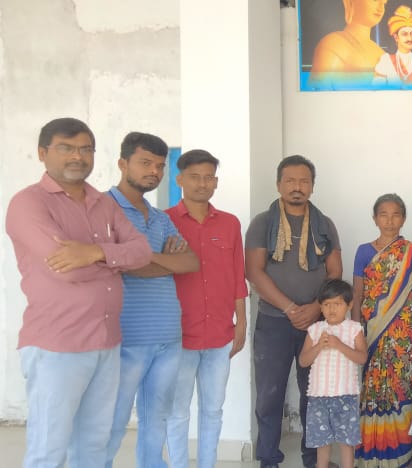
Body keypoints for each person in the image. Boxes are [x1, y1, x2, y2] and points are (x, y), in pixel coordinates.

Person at [7, 118, 152, 467]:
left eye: (86, 149)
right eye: (66, 148)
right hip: (58, 345)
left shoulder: (103, 202)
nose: (78, 156)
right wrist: (114, 258)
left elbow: (142, 252)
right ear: (42, 153)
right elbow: (68, 267)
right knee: (49, 449)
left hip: (106, 341)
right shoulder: (28, 203)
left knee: (93, 445)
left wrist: (95, 252)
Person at [106, 131, 200, 468]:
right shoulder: (103, 209)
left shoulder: (160, 217)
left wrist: (143, 258)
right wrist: (161, 260)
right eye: (145, 163)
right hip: (126, 338)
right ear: (122, 163)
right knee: (112, 423)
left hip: (167, 337)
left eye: (160, 166)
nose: (154, 171)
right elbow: (121, 265)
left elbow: (191, 262)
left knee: (156, 421)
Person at [246, 155, 343, 468]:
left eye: (304, 181)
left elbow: (335, 272)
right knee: (269, 394)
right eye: (290, 180)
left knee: (314, 393)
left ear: (312, 186)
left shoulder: (325, 225)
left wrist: (315, 307)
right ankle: (268, 459)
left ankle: (313, 458)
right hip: (273, 322)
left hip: (316, 324)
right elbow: (254, 271)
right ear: (279, 184)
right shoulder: (263, 222)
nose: (297, 187)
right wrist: (289, 308)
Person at [165, 149, 248, 468]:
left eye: (209, 177)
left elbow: (237, 275)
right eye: (195, 177)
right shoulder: (164, 221)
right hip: (178, 336)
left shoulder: (229, 223)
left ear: (216, 181)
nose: (202, 183)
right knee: (177, 412)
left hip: (220, 334)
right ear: (180, 180)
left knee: (213, 410)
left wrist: (241, 324)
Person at [351, 194, 412, 467]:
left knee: (401, 389)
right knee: (371, 391)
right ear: (375, 219)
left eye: (395, 215)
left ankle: (402, 452)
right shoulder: (363, 252)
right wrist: (355, 334)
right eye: (383, 215)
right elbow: (357, 294)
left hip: (404, 337)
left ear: (403, 219)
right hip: (372, 335)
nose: (389, 221)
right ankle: (372, 452)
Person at [299, 279, 367, 468]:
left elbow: (362, 357)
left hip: (346, 396)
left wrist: (339, 345)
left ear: (349, 305)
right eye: (327, 304)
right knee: (322, 442)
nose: (332, 309)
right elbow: (303, 361)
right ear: (320, 307)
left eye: (337, 304)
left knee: (347, 442)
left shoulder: (354, 329)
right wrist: (318, 346)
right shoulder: (315, 330)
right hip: (318, 397)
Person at [309, 0, 388, 85]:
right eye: (375, 0)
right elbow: (319, 88)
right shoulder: (333, 44)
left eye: (384, 3)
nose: (381, 8)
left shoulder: (381, 52)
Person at [372, 6, 412, 86]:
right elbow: (377, 87)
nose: (410, 38)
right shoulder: (386, 60)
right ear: (396, 37)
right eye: (404, 34)